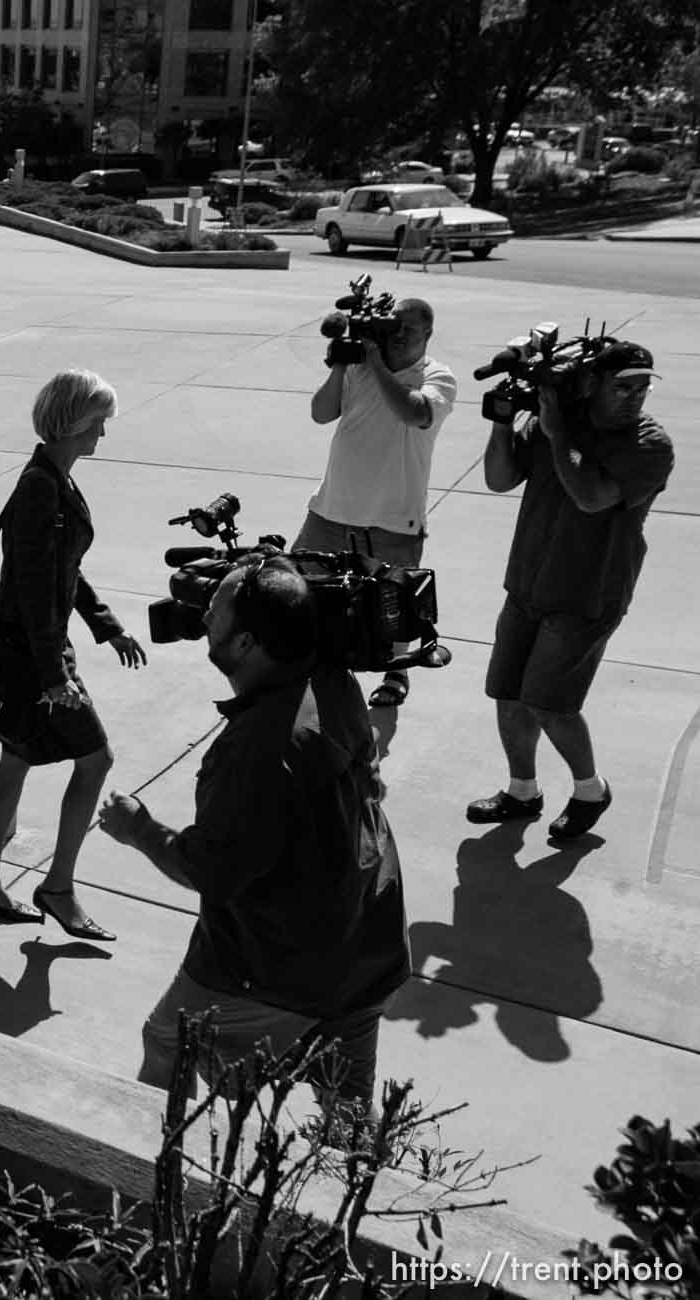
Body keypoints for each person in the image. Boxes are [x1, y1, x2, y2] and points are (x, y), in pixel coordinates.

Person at [98, 557, 409, 1110]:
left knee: (168, 1044)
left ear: (244, 644)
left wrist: (139, 829)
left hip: (282, 965)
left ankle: (156, 1176)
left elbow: (214, 871)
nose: (200, 619)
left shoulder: (258, 751)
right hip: (369, 941)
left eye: (212, 615)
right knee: (346, 1121)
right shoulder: (332, 680)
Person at [0, 371, 146, 941]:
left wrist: (106, 626)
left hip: (29, 647)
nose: (103, 437)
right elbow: (40, 590)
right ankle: (58, 887)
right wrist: (54, 674)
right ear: (75, 424)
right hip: (35, 654)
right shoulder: (42, 486)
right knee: (96, 760)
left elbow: (65, 568)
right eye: (99, 425)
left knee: (16, 758)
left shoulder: (52, 477)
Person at [467, 341, 674, 841]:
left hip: (587, 593)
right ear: (590, 385)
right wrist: (503, 422)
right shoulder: (552, 422)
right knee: (510, 694)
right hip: (527, 582)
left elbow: (591, 497)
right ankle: (522, 790)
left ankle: (590, 789)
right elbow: (498, 479)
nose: (636, 396)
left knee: (552, 704)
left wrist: (559, 434)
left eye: (643, 386)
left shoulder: (649, 445)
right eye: (623, 385)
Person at [300, 297, 457, 708]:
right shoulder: (358, 367)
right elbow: (320, 413)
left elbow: (411, 411)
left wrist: (377, 362)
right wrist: (341, 363)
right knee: (299, 588)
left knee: (395, 604)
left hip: (393, 516)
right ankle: (309, 663)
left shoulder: (437, 377)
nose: (401, 336)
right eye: (395, 327)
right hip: (333, 507)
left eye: (412, 330)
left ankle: (396, 672)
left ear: (428, 334)